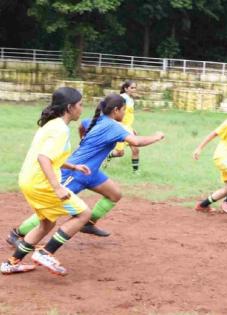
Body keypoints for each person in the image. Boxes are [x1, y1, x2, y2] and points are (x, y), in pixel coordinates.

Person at [6, 93, 165, 246]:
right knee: (52, 209)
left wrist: (85, 139)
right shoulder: (112, 127)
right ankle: (17, 233)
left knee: (115, 194)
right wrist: (157, 136)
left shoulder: (98, 120)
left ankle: (87, 223)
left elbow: (83, 126)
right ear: (116, 110)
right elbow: (136, 142)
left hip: (90, 171)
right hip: (74, 172)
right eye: (123, 109)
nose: (125, 112)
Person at [1, 87, 92, 276]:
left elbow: (50, 156)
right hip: (42, 183)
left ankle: (11, 263)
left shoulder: (51, 125)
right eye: (80, 105)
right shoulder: (61, 129)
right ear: (69, 107)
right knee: (84, 214)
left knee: (47, 223)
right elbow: (44, 158)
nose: (82, 109)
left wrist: (73, 167)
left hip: (28, 180)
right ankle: (45, 252)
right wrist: (57, 187)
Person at [107, 80, 140, 173]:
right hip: (120, 128)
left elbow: (128, 117)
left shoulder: (131, 100)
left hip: (127, 128)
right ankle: (107, 156)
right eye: (132, 88)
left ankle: (135, 171)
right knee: (119, 153)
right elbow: (114, 113)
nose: (134, 90)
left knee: (135, 149)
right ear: (126, 88)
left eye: (135, 88)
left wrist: (131, 128)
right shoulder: (121, 99)